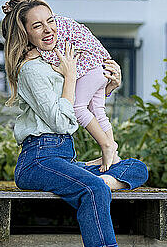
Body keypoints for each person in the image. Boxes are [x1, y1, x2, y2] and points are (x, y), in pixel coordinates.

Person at [0, 0, 149, 247]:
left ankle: (95, 187)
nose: (48, 29)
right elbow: (62, 121)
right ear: (25, 33)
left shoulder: (54, 61)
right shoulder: (31, 69)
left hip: (62, 158)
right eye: (37, 25)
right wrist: (69, 76)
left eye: (50, 21)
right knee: (94, 188)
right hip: (38, 159)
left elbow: (86, 100)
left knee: (136, 167)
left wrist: (109, 81)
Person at [36, 14, 119, 172]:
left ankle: (106, 145)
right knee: (99, 111)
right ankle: (112, 152)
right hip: (102, 66)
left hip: (90, 70)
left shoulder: (51, 29)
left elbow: (55, 55)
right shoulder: (59, 21)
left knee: (77, 108)